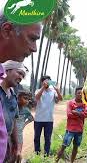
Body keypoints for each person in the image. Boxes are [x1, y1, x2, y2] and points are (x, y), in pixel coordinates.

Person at [0, 11, 41, 162]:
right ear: (7, 30)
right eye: (32, 38)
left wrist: (16, 148)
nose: (35, 48)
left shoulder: (12, 93)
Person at [0, 60, 27, 162]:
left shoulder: (13, 95)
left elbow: (14, 120)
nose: (21, 77)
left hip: (6, 144)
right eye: (19, 73)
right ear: (7, 70)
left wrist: (16, 145)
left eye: (22, 75)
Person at [56, 87, 87, 163]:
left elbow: (86, 115)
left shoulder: (84, 104)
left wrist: (76, 113)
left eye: (81, 93)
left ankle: (72, 162)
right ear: (75, 94)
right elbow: (69, 114)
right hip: (70, 129)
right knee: (64, 146)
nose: (80, 95)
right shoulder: (70, 103)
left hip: (79, 130)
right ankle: (56, 161)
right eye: (78, 93)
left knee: (75, 147)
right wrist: (80, 114)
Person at [34, 75, 63, 156]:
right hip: (38, 119)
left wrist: (57, 90)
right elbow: (36, 98)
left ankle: (46, 154)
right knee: (36, 138)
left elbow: (60, 100)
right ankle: (37, 153)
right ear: (42, 82)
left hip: (49, 120)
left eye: (48, 81)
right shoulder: (38, 90)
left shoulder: (53, 91)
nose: (47, 83)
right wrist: (43, 88)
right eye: (45, 81)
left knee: (48, 138)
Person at [16, 90, 34, 163]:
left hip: (19, 135)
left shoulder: (26, 110)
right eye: (25, 98)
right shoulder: (13, 107)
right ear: (18, 97)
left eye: (28, 99)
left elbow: (31, 118)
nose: (27, 101)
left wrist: (24, 124)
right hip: (9, 134)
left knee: (18, 153)